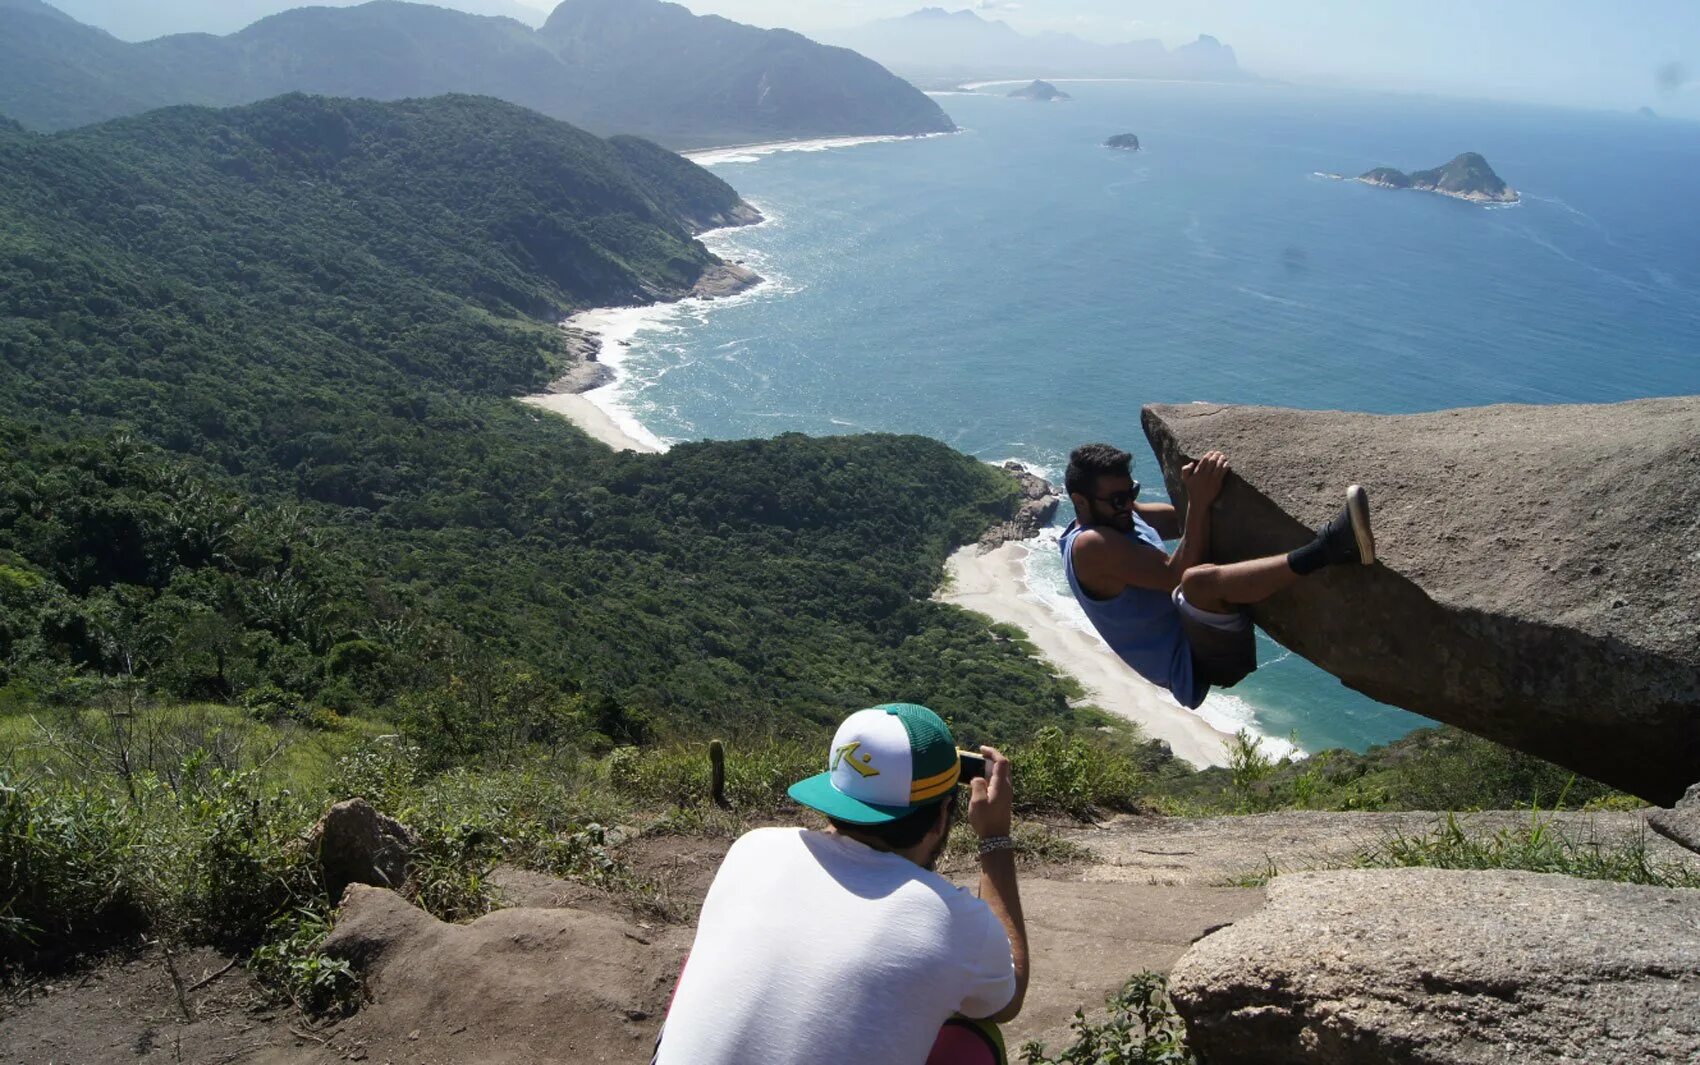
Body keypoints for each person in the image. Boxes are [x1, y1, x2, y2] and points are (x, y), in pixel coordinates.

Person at [653, 702, 1029, 1065]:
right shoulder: (954, 922)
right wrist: (995, 837)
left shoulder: (751, 847)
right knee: (976, 1038)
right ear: (941, 818)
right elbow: (1006, 999)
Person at [1061, 442, 1374, 710]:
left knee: (1205, 559)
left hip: (1200, 628)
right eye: (1118, 500)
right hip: (1197, 663)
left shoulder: (1122, 516)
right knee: (1197, 582)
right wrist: (1198, 500)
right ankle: (1331, 547)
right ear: (1080, 502)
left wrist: (1199, 497)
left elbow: (1184, 522)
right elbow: (1176, 574)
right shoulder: (1090, 547)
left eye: (1131, 493)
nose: (1129, 504)